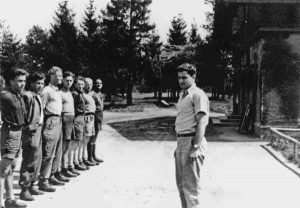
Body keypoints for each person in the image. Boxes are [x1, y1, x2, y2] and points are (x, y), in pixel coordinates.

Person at [174, 63, 209, 208]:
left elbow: (202, 122)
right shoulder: (183, 95)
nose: (181, 80)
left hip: (192, 141)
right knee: (182, 186)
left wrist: (195, 147)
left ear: (193, 76)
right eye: (179, 78)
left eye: (184, 77)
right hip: (182, 142)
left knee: (191, 189)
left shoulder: (198, 94)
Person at [0, 68, 28, 208]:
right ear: (11, 81)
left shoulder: (18, 95)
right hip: (10, 132)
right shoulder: (6, 96)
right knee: (4, 169)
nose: (23, 83)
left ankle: (10, 199)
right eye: (19, 81)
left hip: (19, 132)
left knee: (11, 167)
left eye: (24, 81)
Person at [39, 66, 66, 192]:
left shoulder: (56, 90)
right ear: (51, 76)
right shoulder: (47, 90)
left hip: (58, 120)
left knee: (57, 150)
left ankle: (52, 175)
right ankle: (43, 180)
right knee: (48, 151)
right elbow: (41, 108)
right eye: (58, 76)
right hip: (50, 121)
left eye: (61, 76)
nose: (61, 78)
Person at [19, 72, 45, 201]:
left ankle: (32, 184)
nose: (40, 85)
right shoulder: (27, 95)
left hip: (38, 129)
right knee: (29, 159)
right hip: (30, 131)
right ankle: (24, 189)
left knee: (37, 158)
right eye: (38, 83)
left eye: (42, 83)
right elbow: (22, 114)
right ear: (32, 83)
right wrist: (27, 128)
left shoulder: (37, 95)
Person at [60, 71, 78, 178]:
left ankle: (65, 167)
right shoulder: (60, 93)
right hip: (64, 119)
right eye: (67, 80)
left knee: (68, 144)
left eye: (71, 81)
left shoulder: (70, 93)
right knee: (63, 145)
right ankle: (62, 168)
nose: (69, 83)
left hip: (71, 119)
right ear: (62, 80)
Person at [71, 76, 89, 171]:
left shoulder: (80, 93)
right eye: (79, 84)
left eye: (82, 84)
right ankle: (74, 163)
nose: (81, 86)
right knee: (76, 142)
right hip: (77, 118)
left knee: (81, 141)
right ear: (75, 84)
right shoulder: (74, 94)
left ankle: (78, 160)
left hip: (82, 117)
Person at [82, 78, 98, 166]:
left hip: (92, 117)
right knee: (85, 139)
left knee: (91, 138)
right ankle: (84, 159)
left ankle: (90, 157)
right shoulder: (83, 95)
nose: (89, 86)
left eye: (91, 84)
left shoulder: (90, 94)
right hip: (87, 117)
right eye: (87, 84)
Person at [90, 78, 104, 163]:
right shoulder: (92, 94)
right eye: (97, 83)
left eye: (100, 83)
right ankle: (90, 157)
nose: (99, 84)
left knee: (95, 137)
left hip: (99, 117)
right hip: (94, 117)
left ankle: (93, 155)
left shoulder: (100, 94)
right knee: (92, 137)